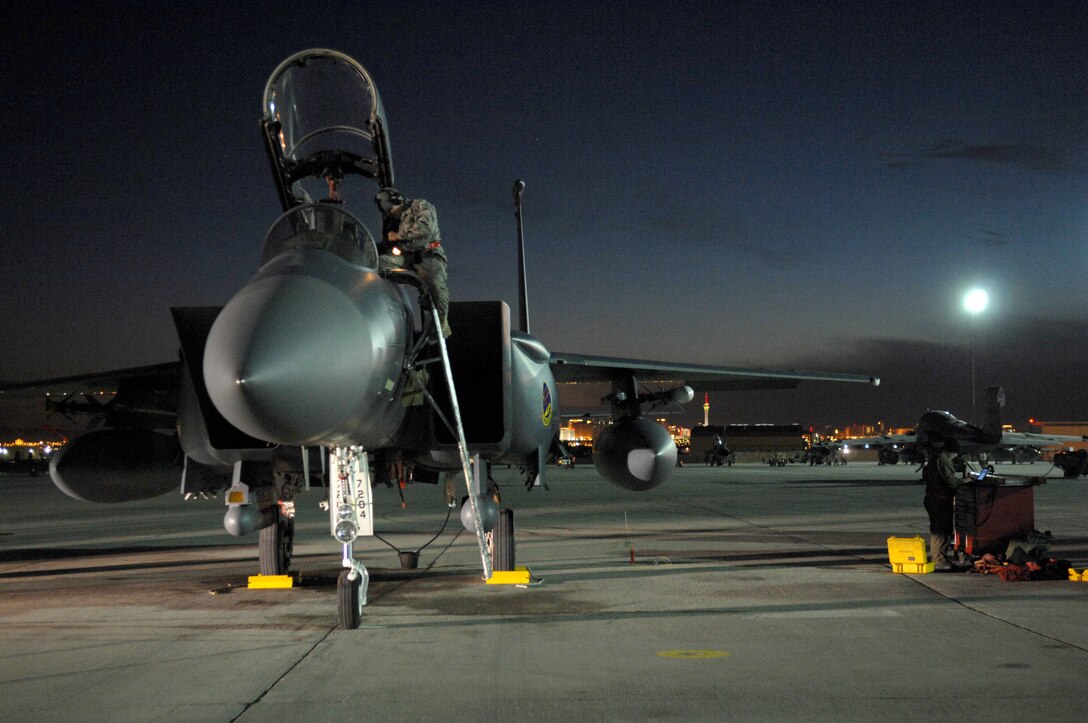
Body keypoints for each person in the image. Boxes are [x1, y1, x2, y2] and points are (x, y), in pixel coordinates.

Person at [374, 187, 451, 337]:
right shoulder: (390, 220)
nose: (390, 214)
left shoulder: (420, 206)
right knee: (379, 264)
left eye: (391, 210)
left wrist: (397, 235)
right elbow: (385, 244)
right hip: (405, 257)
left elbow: (425, 230)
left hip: (428, 255)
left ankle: (442, 324)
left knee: (435, 286)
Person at [922, 439, 963, 567]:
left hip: (934, 499)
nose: (955, 457)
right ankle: (939, 559)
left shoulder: (936, 458)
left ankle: (939, 557)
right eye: (955, 454)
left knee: (939, 529)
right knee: (941, 530)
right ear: (952, 451)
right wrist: (964, 481)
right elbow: (951, 481)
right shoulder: (943, 460)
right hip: (939, 500)